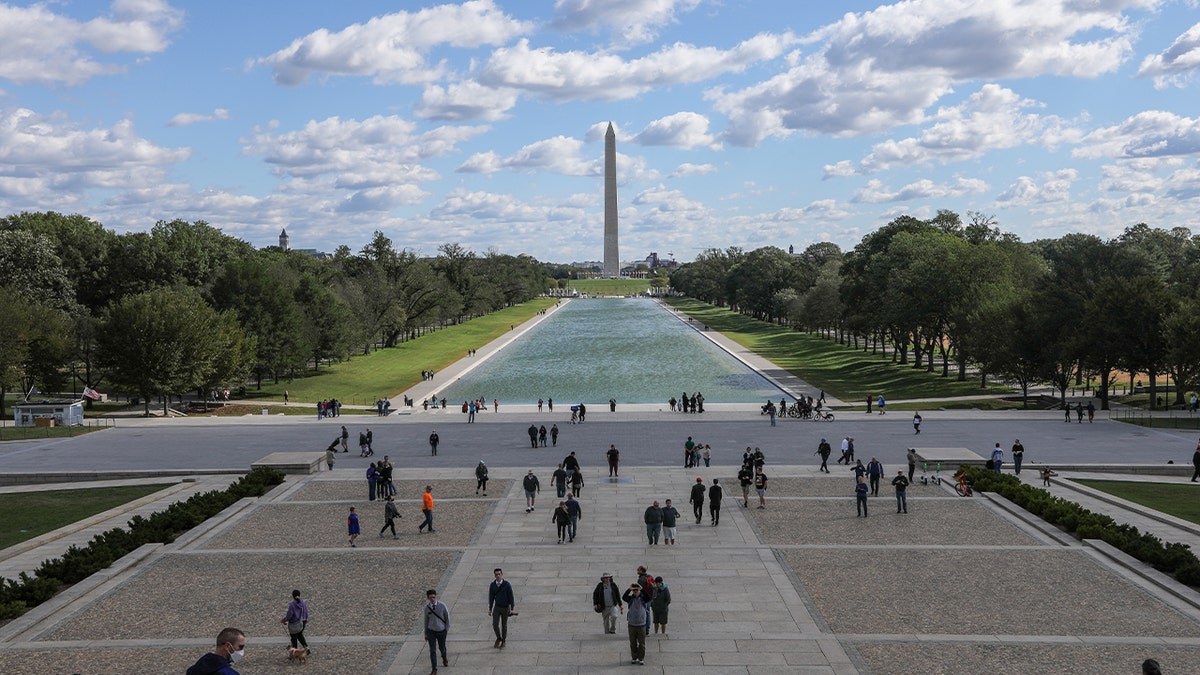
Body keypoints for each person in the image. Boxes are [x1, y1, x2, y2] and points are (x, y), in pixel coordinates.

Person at [488, 568, 515, 648]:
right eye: (496, 574)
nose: (498, 576)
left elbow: (511, 597)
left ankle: (503, 640)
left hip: (505, 607)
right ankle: (498, 637)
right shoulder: (492, 585)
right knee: (495, 624)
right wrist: (490, 608)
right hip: (497, 607)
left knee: (504, 625)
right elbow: (491, 597)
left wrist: (512, 608)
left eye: (499, 574)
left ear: (502, 574)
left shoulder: (507, 585)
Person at [424, 589, 450, 673]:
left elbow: (447, 618)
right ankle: (434, 669)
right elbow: (426, 621)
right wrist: (426, 633)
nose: (433, 599)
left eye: (434, 597)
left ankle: (444, 657)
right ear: (428, 598)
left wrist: (446, 629)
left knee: (442, 647)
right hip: (431, 631)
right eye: (431, 598)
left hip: (441, 630)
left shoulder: (442, 606)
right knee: (432, 650)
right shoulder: (427, 608)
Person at [622, 582, 649, 665]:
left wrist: (642, 589)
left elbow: (649, 597)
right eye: (634, 590)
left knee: (642, 643)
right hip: (632, 624)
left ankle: (641, 658)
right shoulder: (630, 599)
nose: (636, 591)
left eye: (637, 590)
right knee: (633, 642)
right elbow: (623, 597)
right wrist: (629, 589)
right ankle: (634, 657)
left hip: (641, 624)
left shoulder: (643, 599)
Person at [281, 590, 309, 654]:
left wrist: (284, 620)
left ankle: (294, 651)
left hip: (294, 624)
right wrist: (305, 619)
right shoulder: (303, 603)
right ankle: (306, 648)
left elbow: (289, 615)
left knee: (293, 637)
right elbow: (306, 612)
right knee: (300, 635)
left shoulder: (292, 605)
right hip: (302, 622)